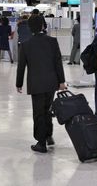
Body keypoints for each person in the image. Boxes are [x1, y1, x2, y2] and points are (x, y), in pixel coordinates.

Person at [16, 15, 67, 153]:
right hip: (51, 83)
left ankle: (41, 142)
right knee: (47, 110)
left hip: (36, 84)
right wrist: (61, 81)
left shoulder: (26, 45)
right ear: (43, 26)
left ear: (30, 28)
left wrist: (19, 83)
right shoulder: (52, 41)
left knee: (39, 113)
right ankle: (49, 136)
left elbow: (21, 66)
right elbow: (58, 62)